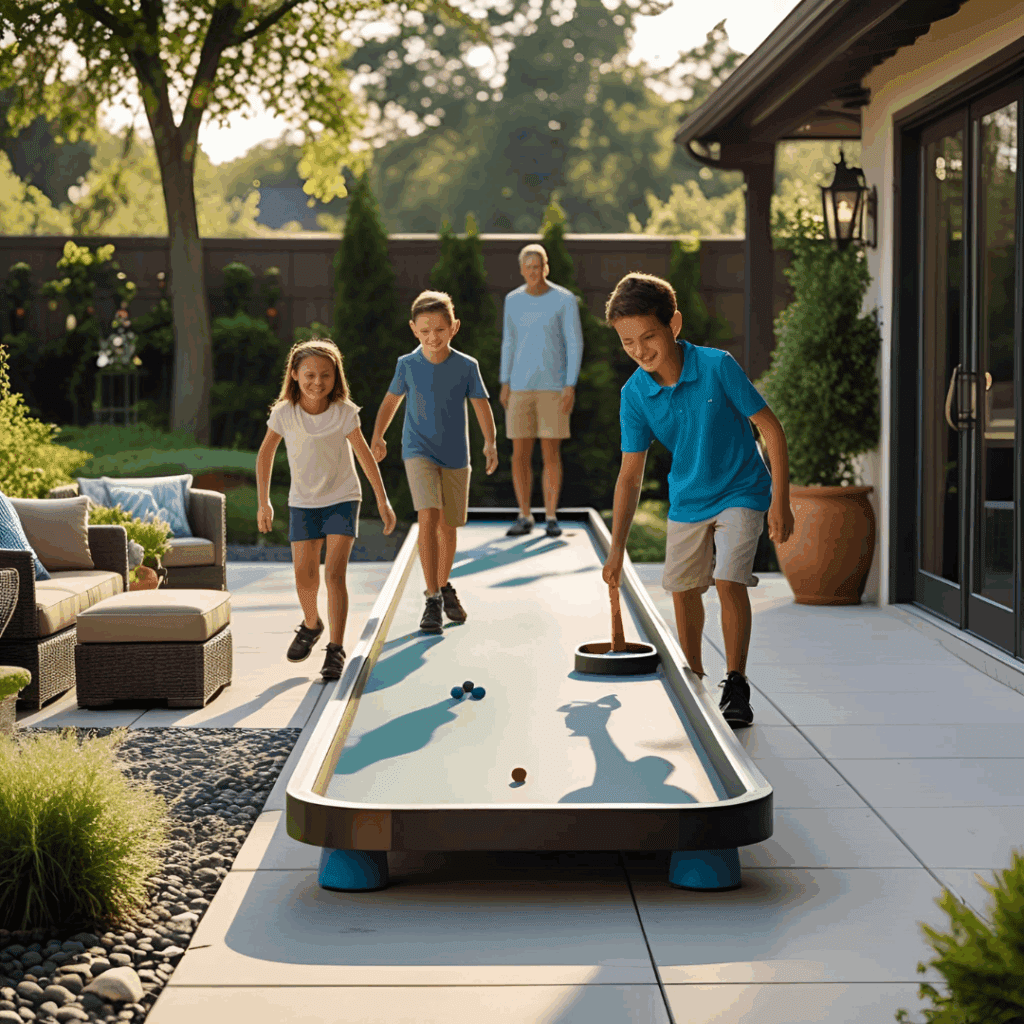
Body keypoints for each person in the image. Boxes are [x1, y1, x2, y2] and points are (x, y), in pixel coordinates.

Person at [601, 272, 794, 728]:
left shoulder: (716, 366)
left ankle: (736, 682)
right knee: (683, 589)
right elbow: (630, 476)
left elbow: (771, 429)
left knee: (728, 580)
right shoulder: (635, 393)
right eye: (628, 342)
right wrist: (615, 548)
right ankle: (695, 678)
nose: (640, 350)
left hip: (742, 490)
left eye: (648, 336)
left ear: (674, 325)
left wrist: (780, 501)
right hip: (688, 498)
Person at [256, 338, 397, 681]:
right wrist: (264, 502)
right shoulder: (284, 414)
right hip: (303, 503)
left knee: (334, 574)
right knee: (304, 576)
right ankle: (311, 624)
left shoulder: (344, 413)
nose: (317, 382)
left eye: (326, 375)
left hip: (343, 498)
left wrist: (382, 499)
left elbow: (364, 456)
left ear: (337, 377)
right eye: (309, 375)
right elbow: (265, 455)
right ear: (294, 374)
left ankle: (335, 649)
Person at [371, 290, 498, 634]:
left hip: (457, 456)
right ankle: (431, 598)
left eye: (439, 330)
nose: (432, 337)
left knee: (449, 527)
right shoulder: (407, 365)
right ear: (414, 329)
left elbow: (481, 405)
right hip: (418, 450)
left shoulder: (467, 366)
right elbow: (391, 401)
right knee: (428, 515)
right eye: (425, 331)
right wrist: (378, 435)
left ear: (454, 327)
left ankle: (443, 585)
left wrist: (490, 442)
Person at [499, 243, 584, 538]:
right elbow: (508, 341)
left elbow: (575, 342)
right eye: (529, 267)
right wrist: (504, 381)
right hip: (520, 387)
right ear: (522, 270)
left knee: (551, 453)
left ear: (546, 268)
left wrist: (570, 384)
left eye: (539, 266)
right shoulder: (513, 300)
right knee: (519, 454)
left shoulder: (564, 299)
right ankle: (524, 516)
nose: (534, 272)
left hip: (554, 388)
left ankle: (550, 517)